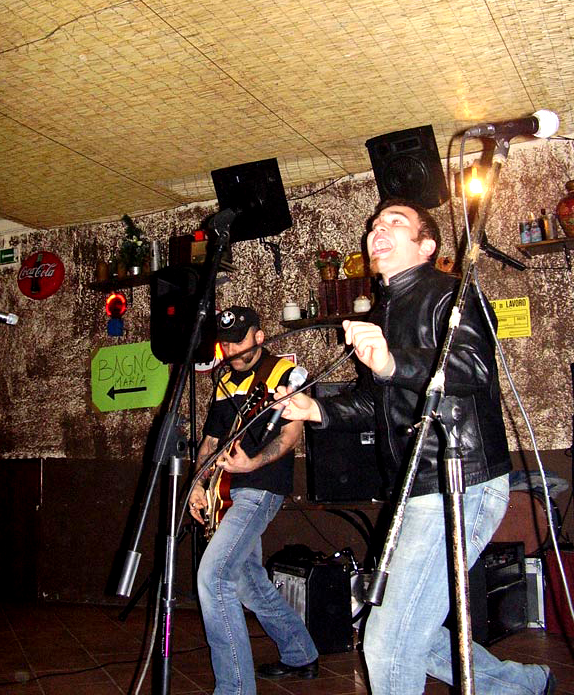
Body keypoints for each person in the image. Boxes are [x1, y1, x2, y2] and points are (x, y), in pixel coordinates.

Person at [273, 199, 556, 695]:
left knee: (388, 642)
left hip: (458, 481)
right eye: (374, 224)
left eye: (395, 223)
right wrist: (316, 410)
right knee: (410, 631)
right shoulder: (384, 310)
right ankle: (526, 686)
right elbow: (373, 401)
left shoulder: (452, 294)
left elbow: (472, 368)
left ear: (426, 246)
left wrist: (390, 362)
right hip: (413, 489)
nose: (377, 229)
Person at [188, 305, 318, 695]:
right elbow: (211, 441)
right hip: (225, 491)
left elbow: (291, 435)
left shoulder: (283, 373)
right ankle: (300, 652)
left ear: (259, 336)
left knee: (213, 577)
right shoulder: (225, 381)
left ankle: (236, 689)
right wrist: (197, 483)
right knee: (247, 582)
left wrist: (253, 462)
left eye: (238, 341)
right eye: (225, 342)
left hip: (260, 488)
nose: (231, 350)